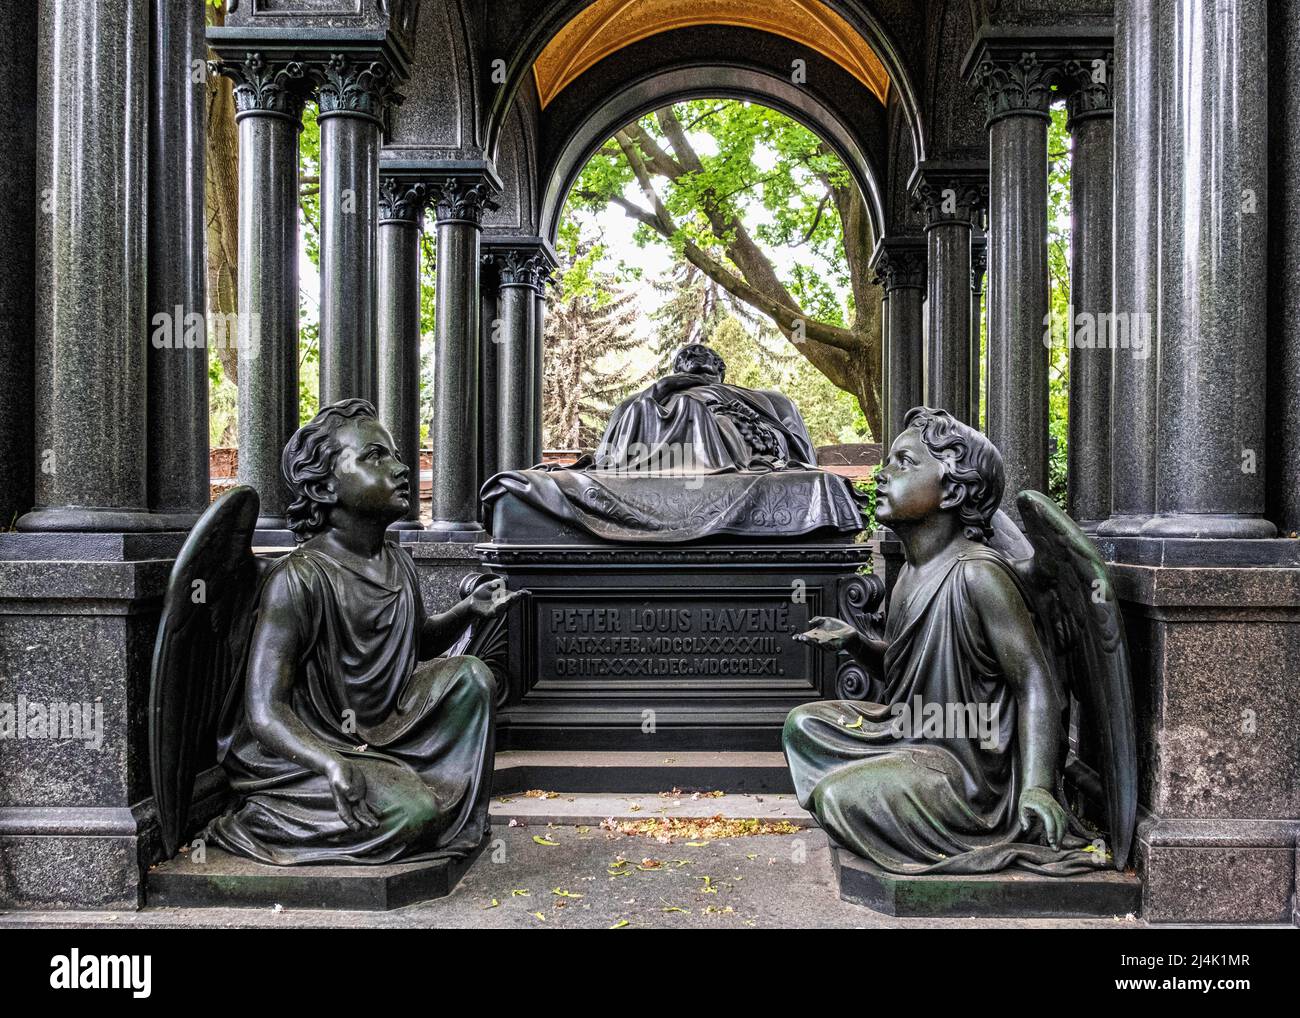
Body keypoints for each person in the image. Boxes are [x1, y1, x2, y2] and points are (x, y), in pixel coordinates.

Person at [783, 406, 1103, 875]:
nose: (883, 474)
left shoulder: (979, 574)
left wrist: (1037, 786)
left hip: (966, 771)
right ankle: (882, 798)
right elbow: (904, 673)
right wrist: (855, 643)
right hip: (912, 729)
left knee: (837, 797)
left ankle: (934, 820)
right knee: (803, 725)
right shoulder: (910, 574)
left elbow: (1035, 682)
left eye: (904, 462)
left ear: (952, 489)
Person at [206, 398, 518, 865]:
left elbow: (415, 646)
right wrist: (331, 763)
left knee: (471, 676)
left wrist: (467, 611)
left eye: (394, 454)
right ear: (328, 487)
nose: (401, 468)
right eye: (375, 456)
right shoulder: (300, 578)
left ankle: (434, 811)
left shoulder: (399, 562)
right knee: (410, 813)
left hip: (385, 724)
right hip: (318, 744)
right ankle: (258, 820)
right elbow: (265, 710)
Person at [595, 343, 818, 471]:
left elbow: (799, 448)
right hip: (656, 449)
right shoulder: (641, 398)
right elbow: (604, 454)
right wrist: (662, 388)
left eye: (697, 351)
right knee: (654, 407)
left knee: (713, 419)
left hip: (734, 437)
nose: (689, 355)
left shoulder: (767, 398)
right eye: (683, 356)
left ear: (719, 365)